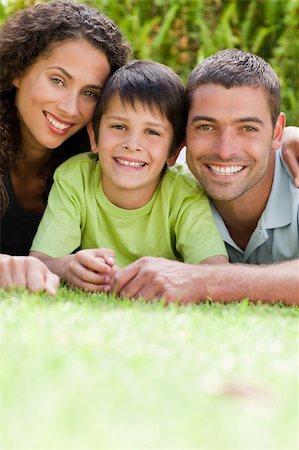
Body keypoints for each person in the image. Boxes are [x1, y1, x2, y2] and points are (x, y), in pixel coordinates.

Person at [113, 49, 299, 306]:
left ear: (277, 132)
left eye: (248, 128)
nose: (224, 151)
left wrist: (204, 281)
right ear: (184, 132)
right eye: (206, 127)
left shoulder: (295, 172)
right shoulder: (159, 179)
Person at [30, 60, 228, 291]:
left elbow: (215, 271)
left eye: (152, 132)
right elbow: (39, 263)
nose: (132, 145)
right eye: (119, 127)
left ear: (175, 151)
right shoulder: (75, 178)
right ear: (94, 137)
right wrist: (67, 266)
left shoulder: (185, 192)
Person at [0, 0, 130, 293]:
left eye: (89, 93)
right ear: (18, 71)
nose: (70, 109)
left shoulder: (96, 166)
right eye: (58, 80)